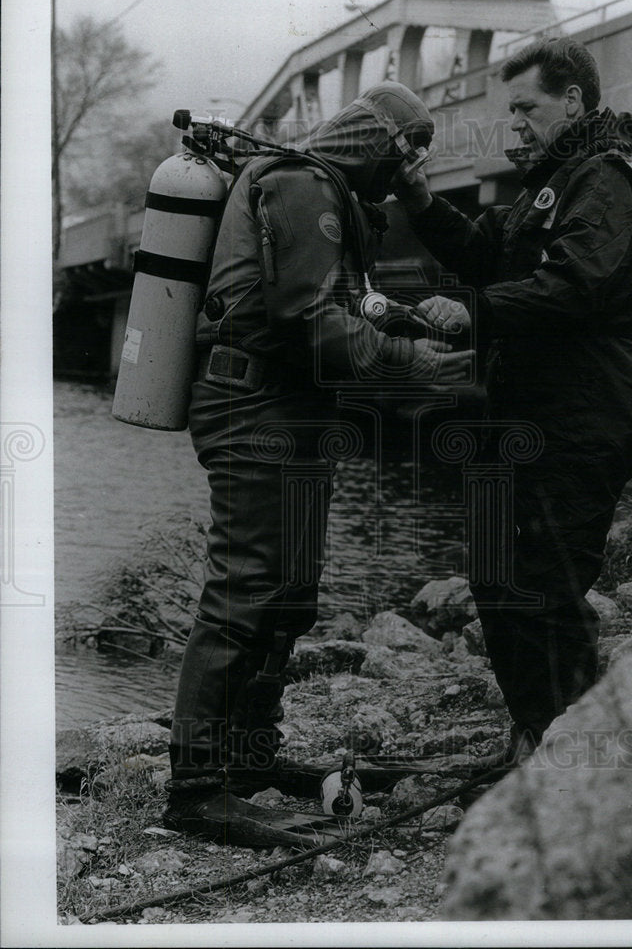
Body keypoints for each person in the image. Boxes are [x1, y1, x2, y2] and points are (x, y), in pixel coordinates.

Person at [163, 81, 473, 846]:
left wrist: (397, 327)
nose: (409, 169)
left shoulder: (325, 192)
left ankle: (246, 761)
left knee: (289, 593)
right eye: (407, 148)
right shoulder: (304, 187)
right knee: (246, 590)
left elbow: (337, 307)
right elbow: (308, 321)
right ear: (375, 138)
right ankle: (197, 787)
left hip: (290, 413)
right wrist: (415, 364)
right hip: (253, 408)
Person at [393, 37, 632, 764]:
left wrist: (472, 312)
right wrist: (419, 201)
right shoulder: (553, 178)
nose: (513, 123)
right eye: (509, 110)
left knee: (547, 588)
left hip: (581, 413)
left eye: (525, 108)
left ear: (571, 100)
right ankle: (539, 742)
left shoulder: (606, 179)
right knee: (497, 579)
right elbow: (485, 252)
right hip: (528, 415)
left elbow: (579, 285)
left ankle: (573, 766)